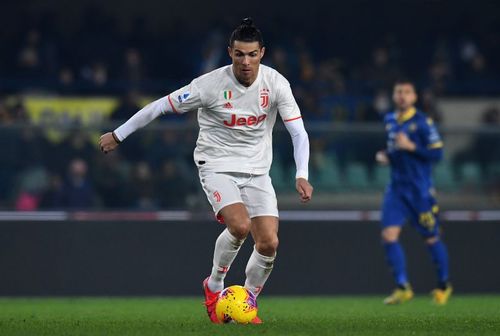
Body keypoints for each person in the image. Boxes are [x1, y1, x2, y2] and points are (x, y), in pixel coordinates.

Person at [99, 18, 313, 323]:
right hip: (217, 166)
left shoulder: (276, 84)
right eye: (239, 54)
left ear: (262, 53)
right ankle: (214, 285)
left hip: (257, 172)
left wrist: (301, 174)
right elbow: (160, 106)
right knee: (239, 226)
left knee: (269, 243)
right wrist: (118, 134)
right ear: (230, 53)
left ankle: (247, 300)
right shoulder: (209, 85)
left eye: (252, 54)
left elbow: (299, 132)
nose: (246, 62)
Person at [375, 79, 452, 305]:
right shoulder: (389, 120)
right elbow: (395, 150)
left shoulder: (423, 123)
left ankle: (443, 285)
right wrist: (386, 156)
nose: (402, 96)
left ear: (414, 97)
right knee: (388, 236)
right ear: (393, 95)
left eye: (407, 92)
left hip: (420, 192)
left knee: (431, 238)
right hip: (397, 190)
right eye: (398, 91)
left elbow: (437, 155)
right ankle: (402, 287)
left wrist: (412, 147)